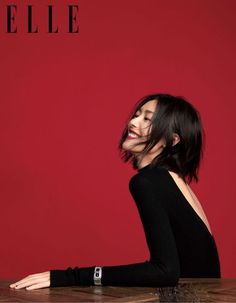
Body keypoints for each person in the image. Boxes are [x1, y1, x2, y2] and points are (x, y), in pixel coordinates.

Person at [9, 93, 221, 290]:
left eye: (147, 120)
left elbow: (165, 272)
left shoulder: (148, 182)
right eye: (136, 115)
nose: (132, 123)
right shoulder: (173, 179)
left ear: (171, 141)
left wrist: (70, 277)